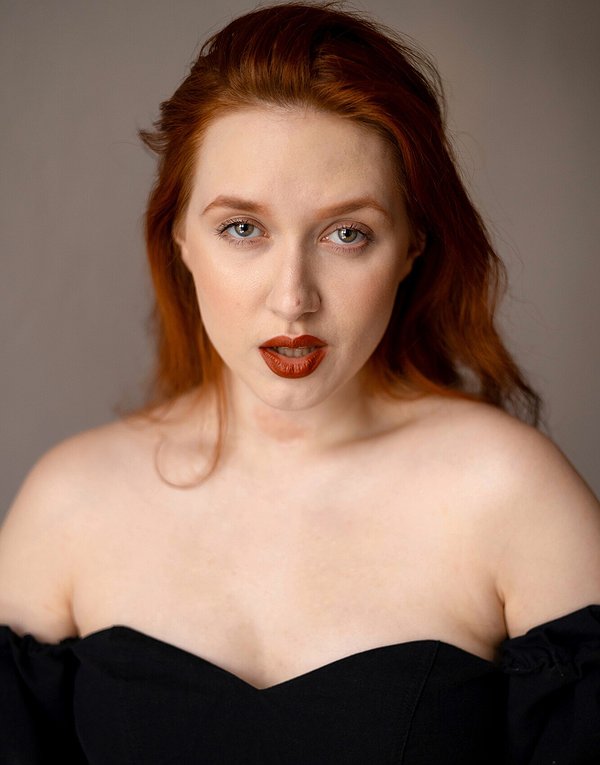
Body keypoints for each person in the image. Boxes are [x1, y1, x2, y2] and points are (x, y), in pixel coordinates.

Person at [1, 2, 599, 763]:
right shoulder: (69, 504)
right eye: (242, 228)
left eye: (347, 233)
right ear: (180, 236)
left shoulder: (515, 497)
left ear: (412, 244)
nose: (293, 298)